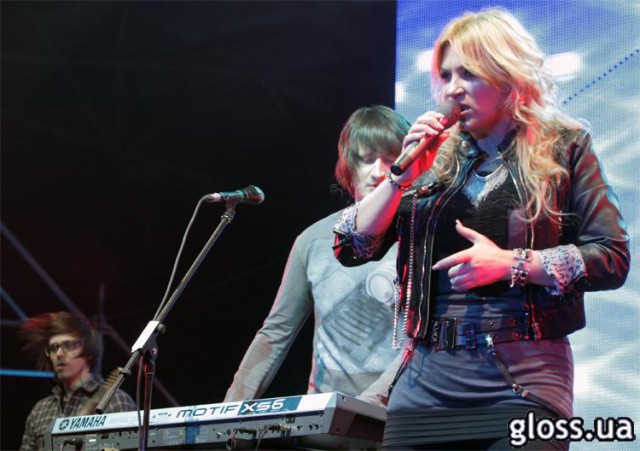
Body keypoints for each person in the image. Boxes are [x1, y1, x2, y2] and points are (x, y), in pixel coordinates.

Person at [333, 8, 630, 450]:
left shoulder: (565, 147)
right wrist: (400, 178)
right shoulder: (433, 158)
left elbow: (611, 257)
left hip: (523, 381)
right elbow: (351, 247)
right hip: (425, 385)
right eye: (446, 75)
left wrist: (512, 264)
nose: (452, 88)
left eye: (468, 74)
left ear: (507, 76)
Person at [224, 105, 411, 406]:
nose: (379, 172)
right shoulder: (312, 240)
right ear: (349, 165)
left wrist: (365, 406)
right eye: (367, 159)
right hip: (326, 414)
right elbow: (275, 333)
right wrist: (229, 409)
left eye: (391, 160)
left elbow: (422, 339)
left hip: (399, 411)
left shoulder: (423, 236)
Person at [20, 311, 136, 450]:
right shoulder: (40, 410)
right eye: (53, 348)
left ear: (89, 351)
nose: (59, 354)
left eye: (68, 345)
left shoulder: (115, 401)